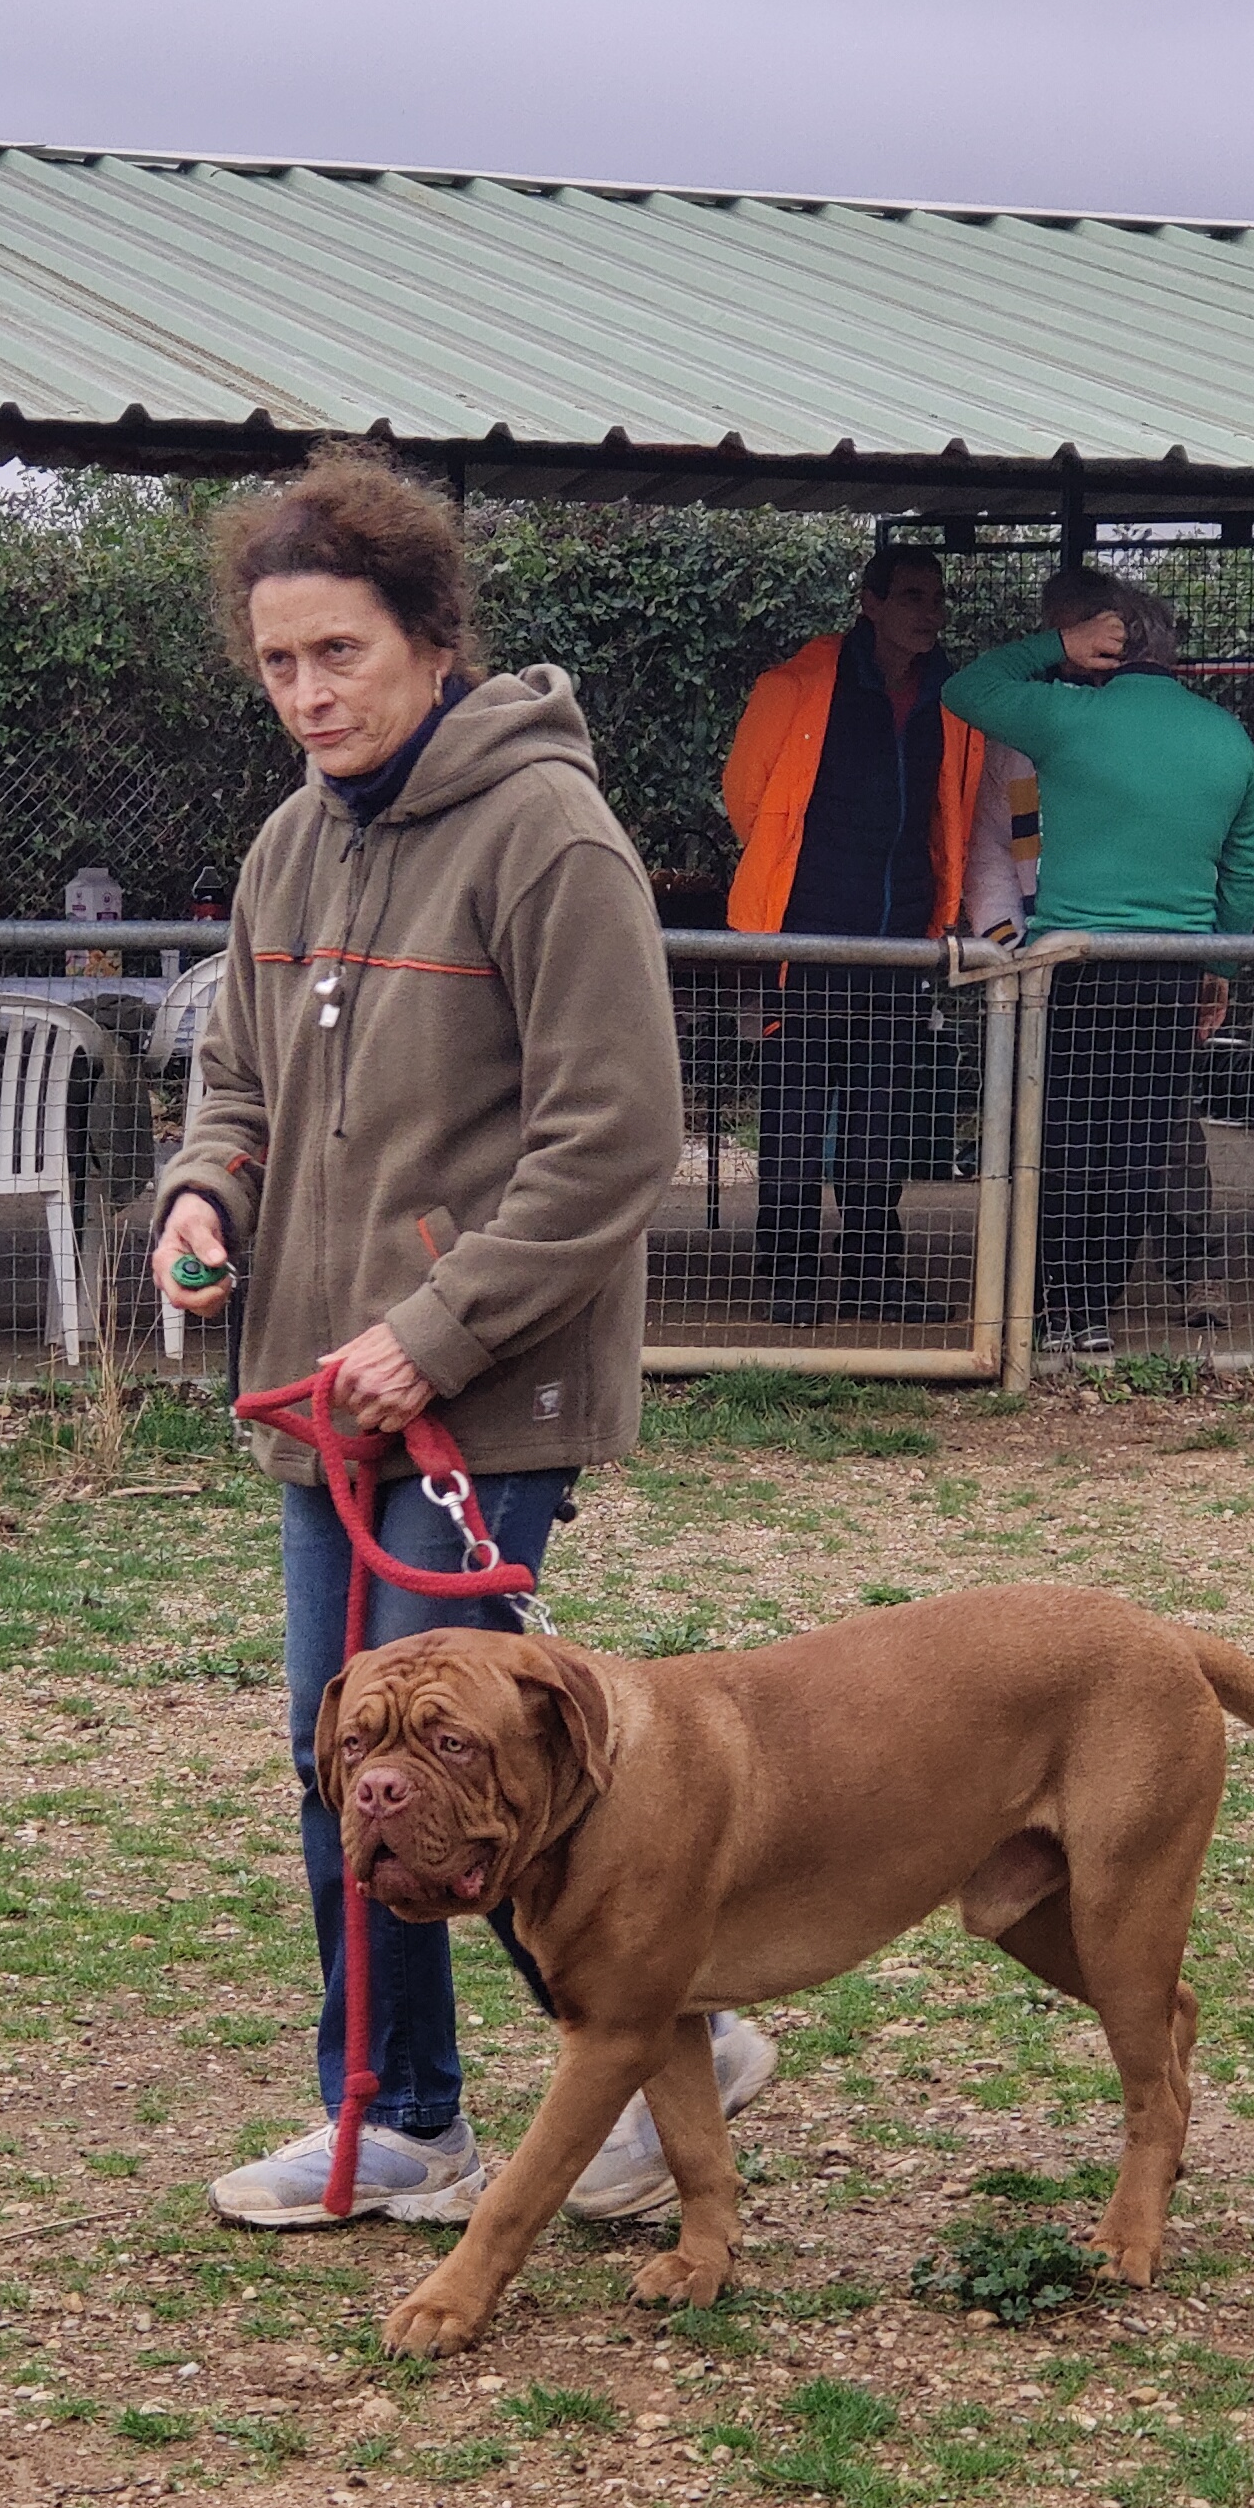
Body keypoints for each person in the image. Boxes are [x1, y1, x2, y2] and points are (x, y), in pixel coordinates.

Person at [150, 448, 774, 2233]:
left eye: (338, 653)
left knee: (465, 1767)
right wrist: (202, 1200)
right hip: (320, 1405)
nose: (308, 694)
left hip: (479, 1402)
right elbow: (235, 1085)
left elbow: (615, 1139)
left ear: (434, 640)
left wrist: (434, 1332)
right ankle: (413, 2115)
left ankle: (629, 2040)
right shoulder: (290, 844)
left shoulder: (550, 838)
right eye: (279, 664)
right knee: (341, 1765)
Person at [945, 569, 1254, 1352]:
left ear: (1107, 648)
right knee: (1139, 1145)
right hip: (1173, 967)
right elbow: (1250, 869)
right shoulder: (1228, 737)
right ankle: (1095, 1313)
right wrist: (1220, 965)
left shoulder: (1065, 718)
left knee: (1064, 1140)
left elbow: (967, 688)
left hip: (1071, 963)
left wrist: (1054, 644)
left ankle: (1056, 1310)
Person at [721, 547, 992, 1322]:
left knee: (882, 1120)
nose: (929, 612)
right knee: (796, 1117)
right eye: (911, 596)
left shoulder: (954, 697)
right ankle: (791, 1275)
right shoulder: (797, 685)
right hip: (804, 937)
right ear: (869, 603)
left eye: (936, 597)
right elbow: (746, 799)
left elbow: (959, 809)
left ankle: (874, 1272)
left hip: (901, 940)